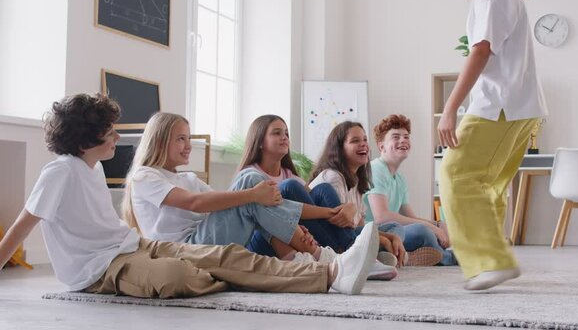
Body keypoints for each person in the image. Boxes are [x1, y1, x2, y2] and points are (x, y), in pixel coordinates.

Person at [0, 94, 379, 298]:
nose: (117, 137)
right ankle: (262, 270)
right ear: (85, 138)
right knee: (179, 276)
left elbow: (104, 225)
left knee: (228, 256)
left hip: (132, 247)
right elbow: (23, 224)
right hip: (99, 270)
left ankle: (330, 273)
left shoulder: (92, 168)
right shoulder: (60, 171)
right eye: (110, 131)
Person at [438, 0, 548, 290]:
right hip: (519, 106)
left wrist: (449, 109)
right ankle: (492, 262)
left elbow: (481, 50)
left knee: (455, 174)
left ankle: (492, 261)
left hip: (498, 106)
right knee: (489, 185)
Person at [122, 112, 341, 264]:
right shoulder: (144, 176)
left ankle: (299, 258)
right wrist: (254, 194)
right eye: (181, 139)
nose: (189, 145)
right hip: (181, 248)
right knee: (248, 180)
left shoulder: (188, 177)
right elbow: (194, 203)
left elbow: (224, 200)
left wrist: (287, 219)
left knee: (251, 189)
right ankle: (318, 255)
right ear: (159, 141)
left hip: (203, 240)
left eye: (189, 138)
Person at [238, 115, 401, 279]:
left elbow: (311, 207)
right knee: (291, 187)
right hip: (264, 241)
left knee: (322, 189)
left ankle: (354, 256)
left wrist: (346, 209)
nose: (284, 137)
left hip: (298, 237)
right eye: (276, 133)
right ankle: (352, 256)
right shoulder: (251, 176)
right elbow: (267, 219)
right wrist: (333, 212)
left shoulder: (290, 175)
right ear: (259, 141)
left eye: (286, 133)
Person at [307, 121, 407, 267]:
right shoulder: (333, 177)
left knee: (394, 228)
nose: (363, 144)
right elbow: (342, 227)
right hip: (328, 237)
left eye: (365, 140)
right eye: (355, 141)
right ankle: (377, 256)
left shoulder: (357, 181)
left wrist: (389, 236)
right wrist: (381, 238)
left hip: (348, 233)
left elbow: (359, 225)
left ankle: (384, 253)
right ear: (340, 149)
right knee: (381, 235)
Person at [365, 114, 457, 266]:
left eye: (406, 137)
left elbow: (410, 218)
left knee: (432, 230)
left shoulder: (399, 178)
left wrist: (438, 224)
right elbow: (381, 216)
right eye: (396, 137)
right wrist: (432, 228)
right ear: (381, 146)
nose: (403, 140)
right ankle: (448, 258)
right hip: (377, 233)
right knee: (423, 232)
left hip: (395, 233)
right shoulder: (376, 169)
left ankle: (405, 256)